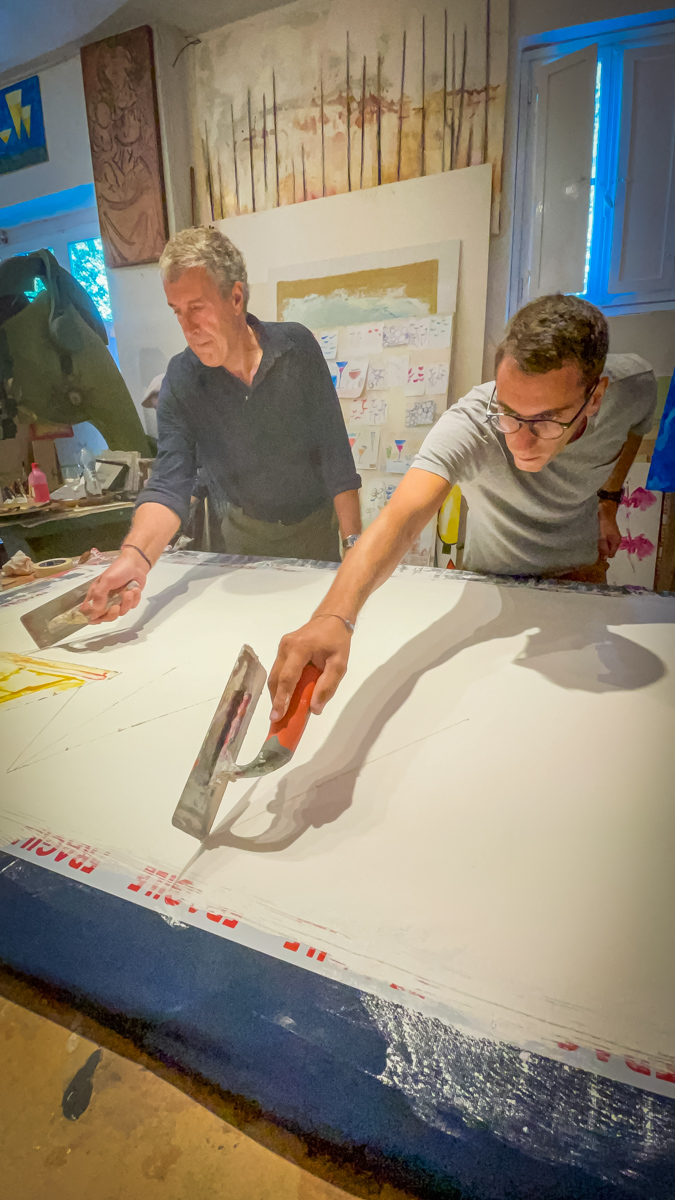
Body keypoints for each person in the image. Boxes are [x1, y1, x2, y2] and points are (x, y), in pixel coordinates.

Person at [267, 294, 657, 722]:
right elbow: (399, 521)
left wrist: (609, 501)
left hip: (582, 576)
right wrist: (334, 615)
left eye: (546, 420)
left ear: (595, 397)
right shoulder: (473, 423)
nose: (520, 440)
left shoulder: (634, 386)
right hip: (493, 584)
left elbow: (636, 425)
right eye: (509, 413)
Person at [82, 227, 361, 622]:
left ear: (235, 298)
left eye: (197, 307)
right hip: (242, 540)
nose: (188, 327)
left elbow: (336, 457)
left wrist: (354, 550)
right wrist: (135, 558)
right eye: (177, 311)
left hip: (314, 533)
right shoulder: (182, 378)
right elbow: (170, 484)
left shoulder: (296, 348)